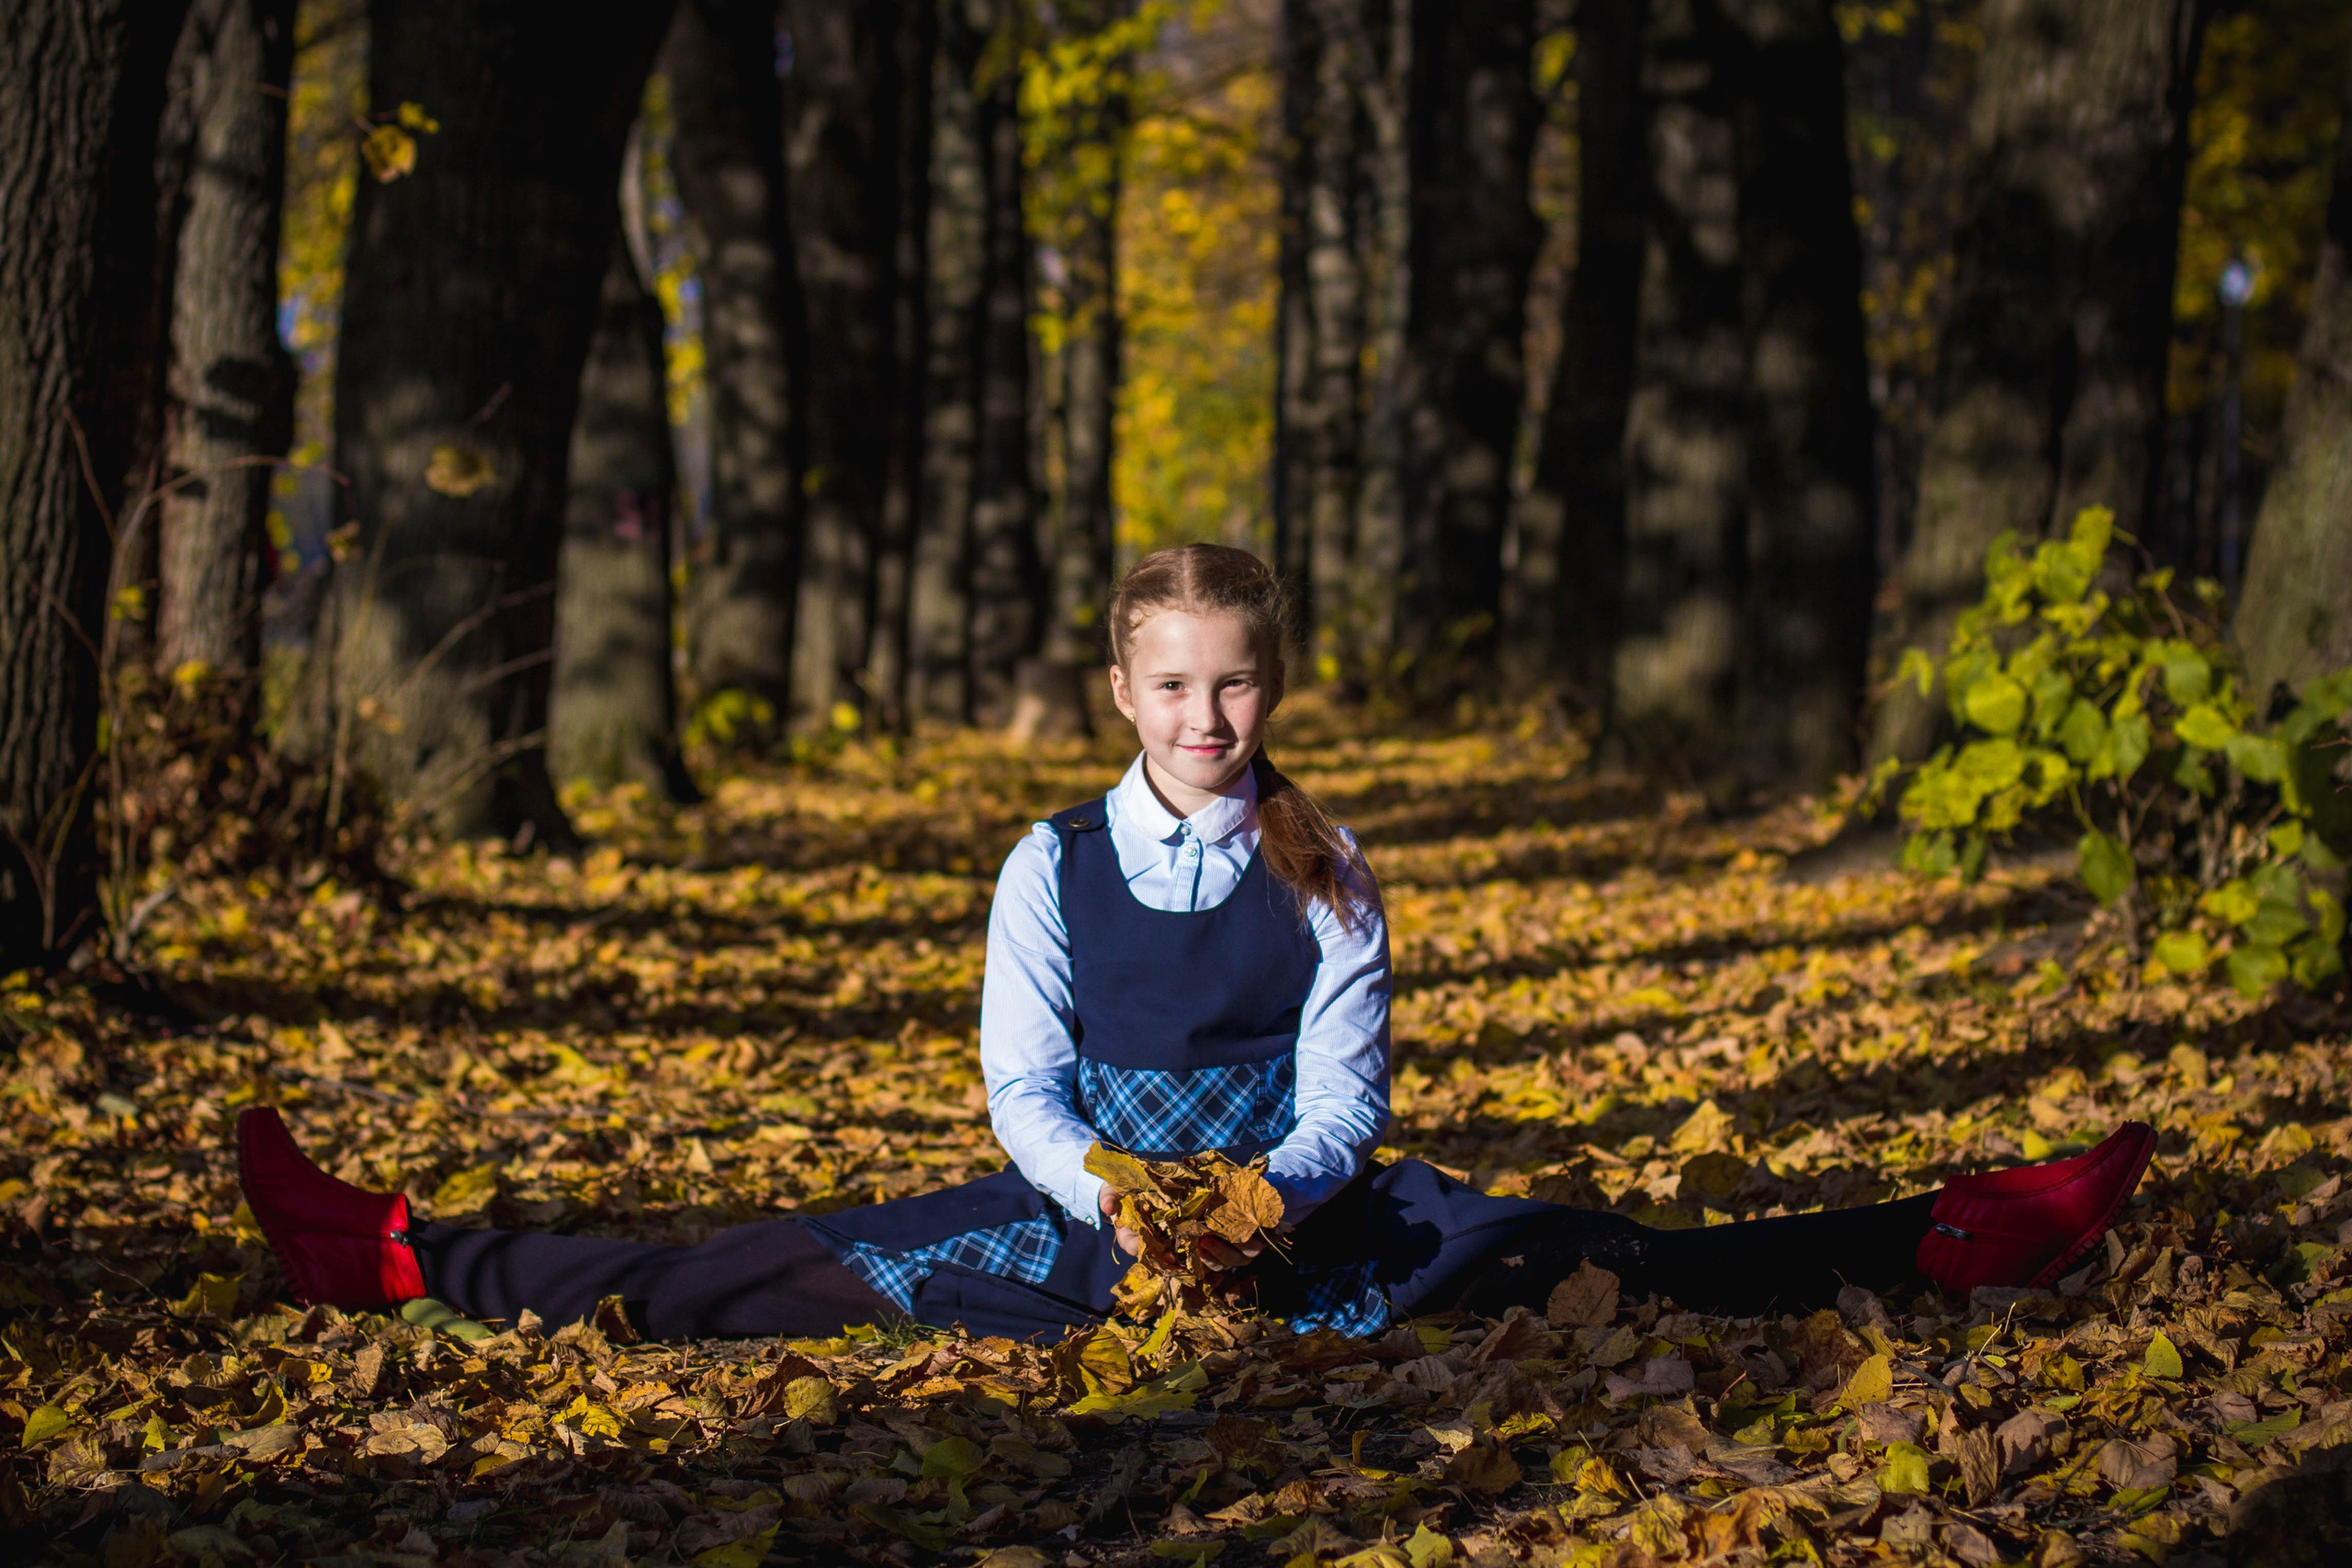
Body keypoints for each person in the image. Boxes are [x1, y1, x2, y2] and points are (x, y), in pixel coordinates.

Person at [239, 544, 2157, 1342]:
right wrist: (1120, 1194)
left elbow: (1345, 1099)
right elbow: (1020, 1084)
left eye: (1233, 684)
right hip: (1082, 1217)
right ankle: (398, 1251)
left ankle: (1951, 1228)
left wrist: (1262, 1199)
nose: (1205, 717)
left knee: (1591, 1250)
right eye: (1172, 685)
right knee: (749, 1273)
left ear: (1269, 687)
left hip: (1301, 1215)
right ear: (1122, 690)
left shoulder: (1331, 866)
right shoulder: (1046, 861)